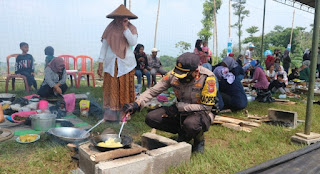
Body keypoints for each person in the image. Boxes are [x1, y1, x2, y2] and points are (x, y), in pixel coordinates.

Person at [121, 53, 218, 153]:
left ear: (196, 72)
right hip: (179, 111)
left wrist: (179, 107)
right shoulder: (172, 75)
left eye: (183, 75)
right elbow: (152, 91)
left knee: (191, 124)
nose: (179, 78)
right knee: (151, 118)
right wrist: (137, 103)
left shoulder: (207, 78)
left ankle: (199, 139)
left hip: (200, 112)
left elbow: (206, 107)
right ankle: (183, 133)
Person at [97, 4, 138, 121]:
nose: (121, 19)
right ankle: (111, 112)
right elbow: (104, 46)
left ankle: (124, 112)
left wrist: (125, 28)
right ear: (115, 17)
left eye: (123, 17)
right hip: (111, 63)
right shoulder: (110, 28)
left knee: (124, 88)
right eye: (118, 17)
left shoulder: (132, 28)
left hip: (126, 64)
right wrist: (100, 63)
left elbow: (132, 42)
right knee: (112, 88)